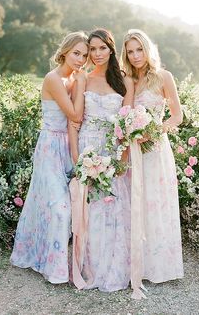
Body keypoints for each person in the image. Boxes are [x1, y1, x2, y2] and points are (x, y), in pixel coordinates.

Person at [10, 32, 88, 284]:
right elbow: (75, 115)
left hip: (69, 145)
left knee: (60, 202)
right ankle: (53, 269)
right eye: (77, 53)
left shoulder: (75, 78)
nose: (81, 59)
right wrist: (83, 84)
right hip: (49, 148)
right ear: (65, 51)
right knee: (59, 208)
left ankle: (44, 255)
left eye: (85, 55)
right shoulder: (53, 78)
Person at [69, 28, 134, 292]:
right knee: (90, 208)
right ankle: (90, 266)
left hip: (112, 149)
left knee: (113, 205)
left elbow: (127, 125)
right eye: (92, 49)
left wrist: (122, 159)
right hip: (87, 147)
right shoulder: (83, 78)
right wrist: (77, 159)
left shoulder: (124, 80)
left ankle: (114, 266)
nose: (96, 54)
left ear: (111, 49)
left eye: (102, 48)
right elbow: (74, 122)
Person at [121, 29, 184, 286]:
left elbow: (177, 115)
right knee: (133, 202)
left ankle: (158, 266)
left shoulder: (163, 77)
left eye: (139, 49)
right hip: (132, 150)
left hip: (155, 149)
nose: (136, 56)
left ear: (148, 49)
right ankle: (135, 263)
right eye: (130, 51)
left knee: (155, 203)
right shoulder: (126, 79)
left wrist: (153, 131)